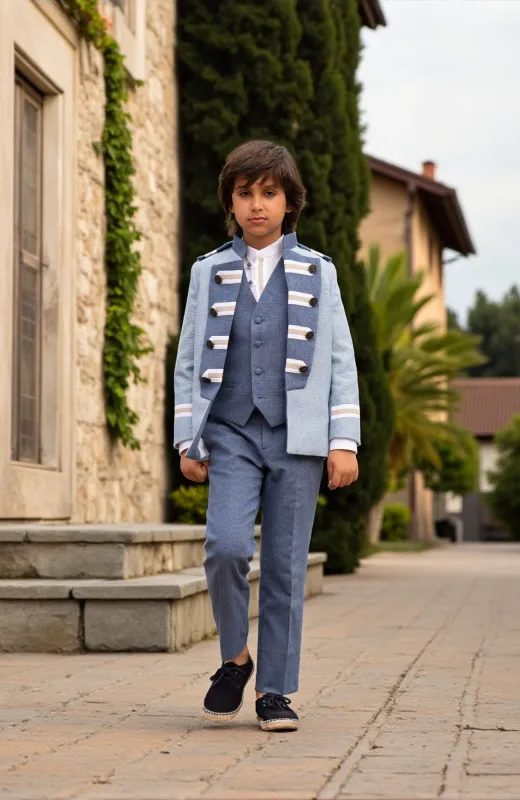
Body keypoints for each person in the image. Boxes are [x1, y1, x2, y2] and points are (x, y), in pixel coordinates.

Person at [174, 140, 360, 732]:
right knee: (226, 547)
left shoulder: (319, 271)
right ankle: (236, 659)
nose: (258, 205)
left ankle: (274, 691)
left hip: (298, 437)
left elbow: (340, 360)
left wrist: (343, 441)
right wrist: (187, 441)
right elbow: (185, 361)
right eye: (246, 193)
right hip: (228, 432)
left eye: (270, 193)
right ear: (231, 201)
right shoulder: (208, 271)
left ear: (288, 202)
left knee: (284, 567)